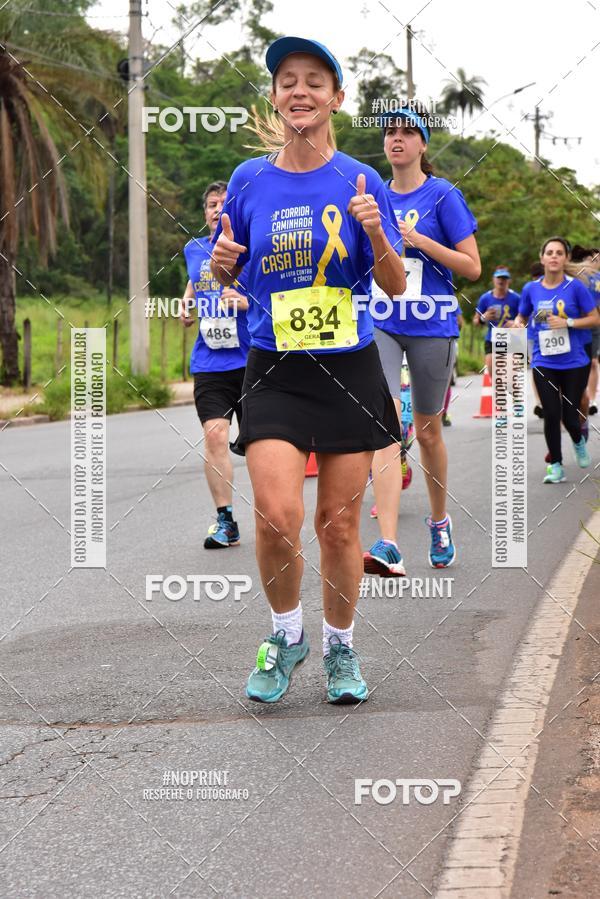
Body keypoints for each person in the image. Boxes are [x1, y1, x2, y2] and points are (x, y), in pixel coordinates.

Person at [210, 37, 406, 704]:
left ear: (336, 99)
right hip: (274, 368)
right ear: (273, 95)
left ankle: (341, 647)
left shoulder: (360, 178)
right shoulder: (248, 179)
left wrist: (376, 232)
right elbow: (226, 263)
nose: (300, 91)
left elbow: (397, 285)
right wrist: (220, 266)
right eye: (288, 80)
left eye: (315, 82)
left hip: (349, 367)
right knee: (273, 513)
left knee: (340, 526)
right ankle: (286, 633)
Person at [363, 105, 480, 577]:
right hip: (383, 320)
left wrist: (418, 241)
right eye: (390, 131)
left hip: (432, 323)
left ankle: (438, 520)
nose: (397, 139)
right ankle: (389, 542)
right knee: (387, 420)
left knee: (428, 431)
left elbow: (471, 266)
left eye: (408, 132)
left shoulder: (443, 195)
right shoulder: (371, 192)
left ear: (422, 144)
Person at [181, 181, 251, 548]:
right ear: (205, 211)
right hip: (210, 361)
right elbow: (196, 282)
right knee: (215, 436)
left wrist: (246, 302)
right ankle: (225, 521)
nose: (216, 209)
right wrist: (186, 302)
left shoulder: (250, 249)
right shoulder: (193, 249)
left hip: (254, 360)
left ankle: (275, 517)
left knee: (260, 448)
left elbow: (273, 293)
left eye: (224, 203)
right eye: (211, 204)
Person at [514, 237, 600, 483]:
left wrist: (568, 322)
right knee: (551, 413)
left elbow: (595, 318)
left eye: (559, 253)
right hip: (544, 361)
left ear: (565, 259)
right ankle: (556, 466)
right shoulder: (531, 289)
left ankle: (578, 440)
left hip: (575, 361)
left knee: (571, 415)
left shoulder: (576, 288)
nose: (553, 256)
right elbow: (522, 316)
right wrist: (518, 325)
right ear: (542, 258)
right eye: (549, 252)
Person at [473, 267, 521, 377]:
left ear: (509, 281)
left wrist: (515, 323)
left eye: (504, 278)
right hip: (492, 339)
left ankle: (510, 391)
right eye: (499, 278)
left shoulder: (516, 298)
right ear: (493, 279)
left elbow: (524, 318)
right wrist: (483, 318)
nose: (501, 281)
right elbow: (475, 321)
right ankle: (499, 391)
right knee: (493, 372)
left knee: (511, 375)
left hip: (512, 339)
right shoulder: (485, 298)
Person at [441, 303, 464, 426]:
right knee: (446, 381)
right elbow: (460, 323)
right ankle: (443, 413)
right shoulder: (450, 299)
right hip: (448, 341)